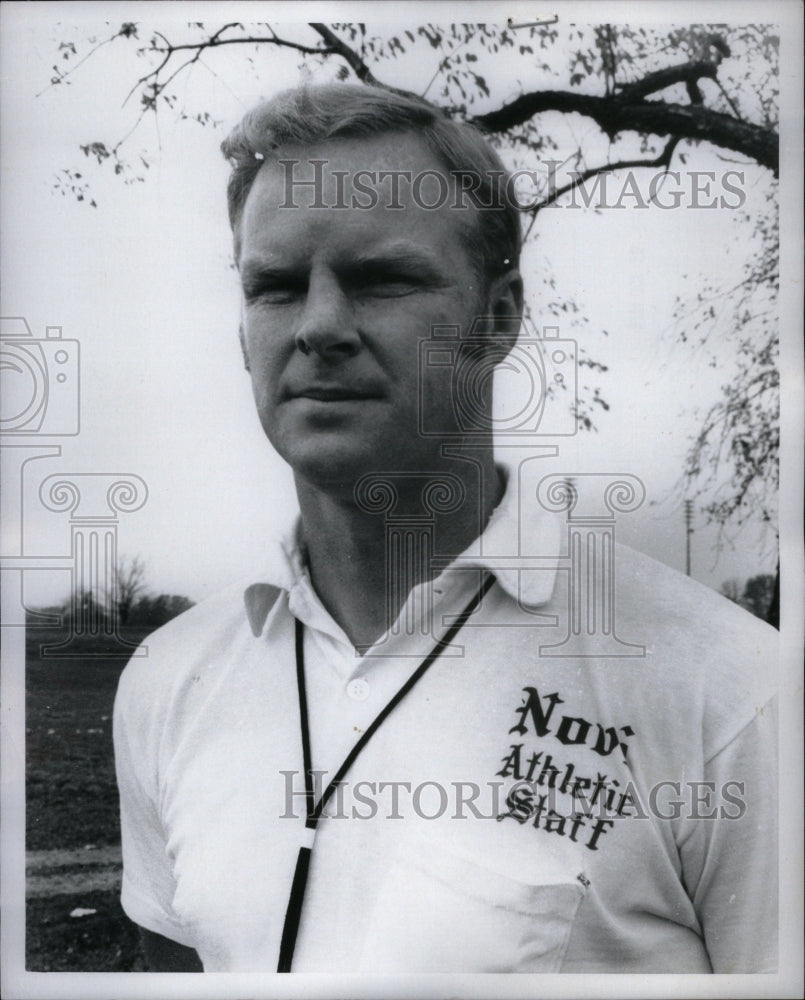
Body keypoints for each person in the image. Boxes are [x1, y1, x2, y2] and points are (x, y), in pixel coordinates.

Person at [113, 84, 777, 974]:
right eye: (273, 287)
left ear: (497, 318)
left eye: (381, 279)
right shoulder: (169, 680)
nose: (317, 326)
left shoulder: (726, 692)